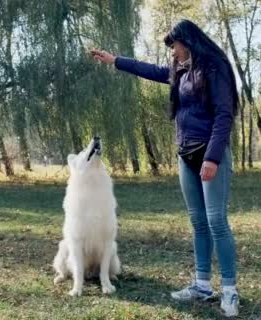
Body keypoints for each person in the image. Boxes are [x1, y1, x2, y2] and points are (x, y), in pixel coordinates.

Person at [91, 19, 239, 317]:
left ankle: (229, 290)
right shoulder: (179, 70)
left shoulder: (214, 66)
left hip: (211, 154)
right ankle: (201, 284)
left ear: (188, 41)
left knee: (216, 221)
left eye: (175, 47)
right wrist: (115, 61)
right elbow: (152, 71)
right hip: (185, 154)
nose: (172, 53)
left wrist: (212, 158)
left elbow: (224, 114)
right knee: (198, 222)